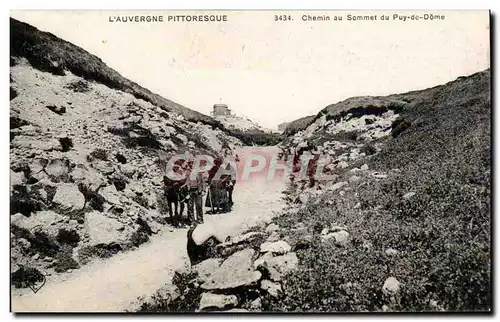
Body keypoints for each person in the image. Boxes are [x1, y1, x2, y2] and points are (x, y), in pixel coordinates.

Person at [184, 160, 206, 225]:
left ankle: (200, 219)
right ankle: (191, 221)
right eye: (190, 163)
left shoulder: (198, 171)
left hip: (198, 190)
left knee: (199, 206)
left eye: (192, 163)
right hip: (190, 191)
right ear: (188, 164)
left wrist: (203, 190)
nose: (191, 164)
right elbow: (184, 182)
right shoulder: (187, 172)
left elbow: (203, 181)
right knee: (190, 207)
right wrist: (186, 193)